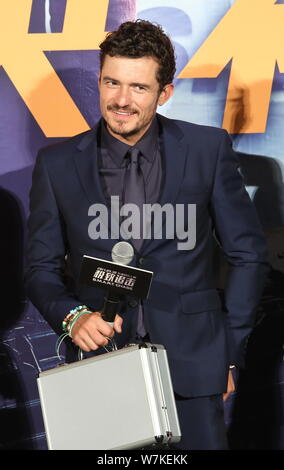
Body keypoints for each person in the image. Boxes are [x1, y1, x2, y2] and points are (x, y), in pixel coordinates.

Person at [25, 20, 268, 450]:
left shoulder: (206, 150)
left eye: (138, 87)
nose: (121, 100)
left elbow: (248, 255)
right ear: (99, 82)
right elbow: (41, 268)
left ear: (165, 93)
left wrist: (226, 351)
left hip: (194, 367)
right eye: (111, 82)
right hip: (99, 368)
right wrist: (72, 317)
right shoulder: (58, 165)